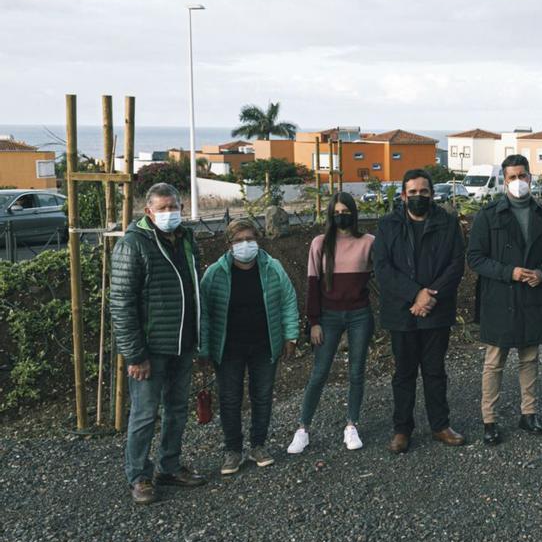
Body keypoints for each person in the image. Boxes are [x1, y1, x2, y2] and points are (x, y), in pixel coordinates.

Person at [110, 183, 206, 504]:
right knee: (144, 414)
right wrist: (135, 355)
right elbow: (121, 304)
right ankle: (138, 476)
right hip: (150, 349)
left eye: (174, 206)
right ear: (148, 212)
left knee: (177, 409)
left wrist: (198, 338)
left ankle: (169, 465)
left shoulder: (186, 240)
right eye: (162, 208)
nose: (170, 213)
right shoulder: (133, 245)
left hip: (183, 343)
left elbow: (193, 289)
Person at [466, 154, 542, 445]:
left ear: (531, 177)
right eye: (512, 177)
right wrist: (510, 272)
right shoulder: (488, 215)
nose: (518, 182)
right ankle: (489, 419)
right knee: (494, 362)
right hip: (500, 296)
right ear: (503, 181)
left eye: (522, 176)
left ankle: (528, 413)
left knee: (530, 358)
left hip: (532, 295)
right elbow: (475, 258)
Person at [374, 169, 466, 454]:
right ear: (403, 195)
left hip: (436, 311)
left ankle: (440, 425)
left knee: (435, 371)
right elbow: (383, 268)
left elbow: (456, 264)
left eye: (423, 192)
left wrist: (430, 296)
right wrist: (416, 294)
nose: (418, 197)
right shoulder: (388, 225)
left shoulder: (448, 223)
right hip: (401, 312)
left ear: (432, 194)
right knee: (403, 373)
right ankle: (402, 430)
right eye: (412, 192)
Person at [198, 219, 299, 475]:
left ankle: (258, 445)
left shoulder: (273, 268)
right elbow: (205, 314)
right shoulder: (215, 274)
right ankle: (233, 450)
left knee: (262, 397)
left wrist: (291, 336)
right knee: (230, 399)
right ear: (229, 244)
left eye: (250, 239)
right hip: (228, 348)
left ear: (258, 240)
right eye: (239, 240)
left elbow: (288, 302)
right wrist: (204, 349)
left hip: (264, 345)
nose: (245, 244)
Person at [287, 193, 375, 454]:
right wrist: (313, 321)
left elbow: (382, 273)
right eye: (337, 211)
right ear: (330, 214)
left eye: (346, 211)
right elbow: (312, 285)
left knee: (357, 371)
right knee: (319, 372)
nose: (341, 216)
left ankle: (352, 424)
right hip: (328, 315)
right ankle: (302, 428)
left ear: (354, 213)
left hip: (359, 313)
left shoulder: (369, 242)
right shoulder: (320, 243)